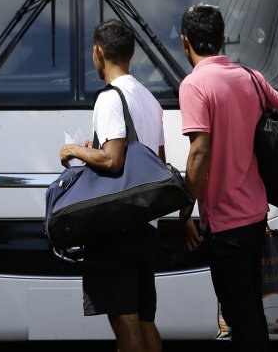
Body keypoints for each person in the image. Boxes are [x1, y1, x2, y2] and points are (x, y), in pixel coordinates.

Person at [176, 3, 278, 351]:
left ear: (186, 43)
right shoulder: (251, 77)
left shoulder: (194, 85)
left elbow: (200, 153)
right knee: (249, 312)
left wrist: (185, 211)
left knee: (240, 316)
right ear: (223, 39)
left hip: (225, 223)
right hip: (255, 216)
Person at [58, 21, 165, 352]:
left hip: (117, 226)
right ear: (131, 53)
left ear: (98, 52)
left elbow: (113, 160)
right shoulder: (149, 99)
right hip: (146, 224)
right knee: (145, 321)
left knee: (125, 322)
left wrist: (74, 150)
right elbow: (159, 161)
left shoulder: (109, 98)